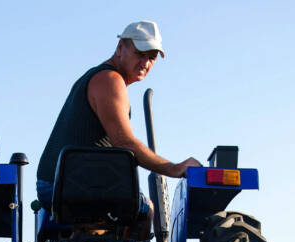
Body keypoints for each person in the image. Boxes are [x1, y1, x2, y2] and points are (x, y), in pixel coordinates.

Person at [35, 20, 202, 215]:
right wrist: (174, 168)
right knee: (145, 211)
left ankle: (83, 241)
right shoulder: (110, 80)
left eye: (152, 57)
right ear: (120, 47)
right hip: (68, 186)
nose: (145, 63)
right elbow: (124, 143)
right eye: (140, 54)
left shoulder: (95, 77)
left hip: (57, 183)